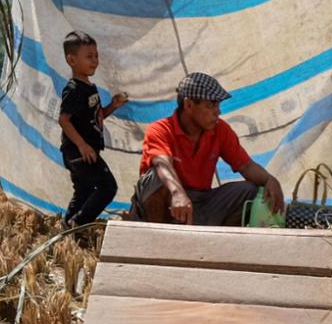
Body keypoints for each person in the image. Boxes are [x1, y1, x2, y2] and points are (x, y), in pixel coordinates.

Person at [129, 72, 285, 225]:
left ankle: (214, 242)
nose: (217, 112)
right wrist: (177, 193)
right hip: (166, 205)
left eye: (217, 105)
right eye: (210, 106)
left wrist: (270, 180)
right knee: (156, 176)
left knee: (248, 190)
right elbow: (162, 164)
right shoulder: (161, 129)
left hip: (200, 203)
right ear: (188, 105)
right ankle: (156, 237)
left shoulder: (220, 130)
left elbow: (246, 165)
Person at [58, 31, 128, 227]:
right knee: (108, 187)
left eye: (96, 56)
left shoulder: (89, 87)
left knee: (84, 190)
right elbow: (64, 120)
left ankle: (68, 229)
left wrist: (112, 106)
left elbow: (95, 118)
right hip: (79, 151)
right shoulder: (74, 89)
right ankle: (79, 223)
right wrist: (82, 146)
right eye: (89, 57)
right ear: (71, 60)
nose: (95, 61)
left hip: (84, 151)